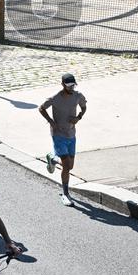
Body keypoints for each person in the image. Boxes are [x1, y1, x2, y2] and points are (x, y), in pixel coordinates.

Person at [39, 73, 87, 205]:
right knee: (66, 166)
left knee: (70, 166)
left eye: (73, 85)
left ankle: (53, 159)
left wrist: (79, 117)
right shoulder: (55, 98)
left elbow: (84, 107)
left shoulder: (78, 96)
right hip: (58, 135)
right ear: (63, 85)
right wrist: (50, 121)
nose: (71, 88)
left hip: (71, 134)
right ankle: (65, 194)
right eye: (69, 85)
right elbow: (41, 108)